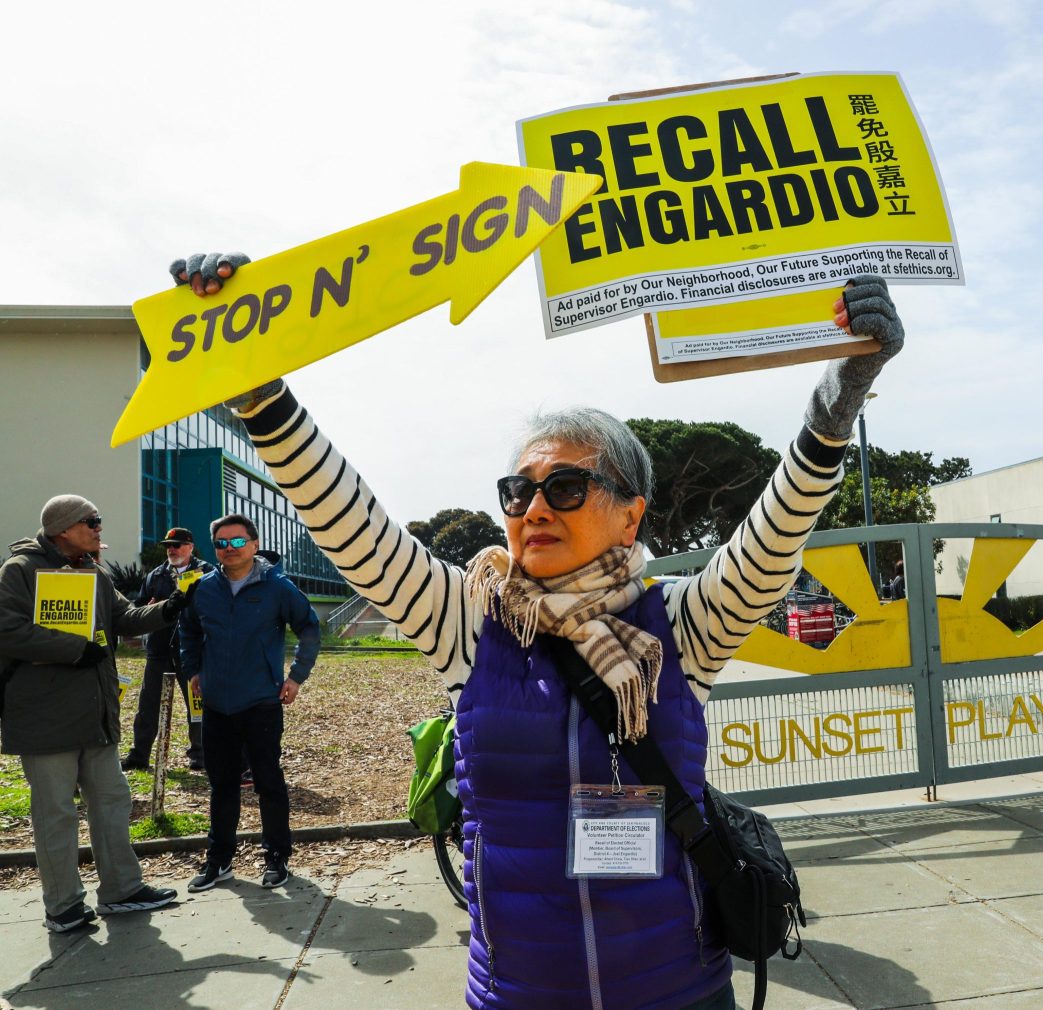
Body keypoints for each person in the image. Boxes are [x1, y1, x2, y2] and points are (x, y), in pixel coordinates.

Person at [175, 250, 904, 1010]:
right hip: (517, 993)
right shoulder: (468, 619)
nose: (536, 508)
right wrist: (267, 402)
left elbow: (770, 545)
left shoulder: (679, 623)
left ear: (631, 515)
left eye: (566, 486)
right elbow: (355, 531)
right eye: (518, 491)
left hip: (677, 989)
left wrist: (838, 402)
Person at [0, 495, 183, 931]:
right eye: (92, 521)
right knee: (56, 814)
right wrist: (74, 648)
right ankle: (62, 907)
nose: (100, 528)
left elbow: (126, 617)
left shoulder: (94, 572)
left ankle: (122, 889)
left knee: (112, 801)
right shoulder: (19, 571)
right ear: (63, 528)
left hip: (95, 715)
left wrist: (170, 608)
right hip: (43, 717)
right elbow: (7, 630)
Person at [179, 513, 320, 893]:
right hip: (216, 705)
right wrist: (193, 669)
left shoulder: (277, 587)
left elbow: (309, 627)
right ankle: (219, 860)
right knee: (222, 785)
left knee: (268, 782)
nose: (229, 548)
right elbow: (187, 629)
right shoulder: (203, 588)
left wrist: (296, 677)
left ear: (254, 545)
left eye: (238, 541)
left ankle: (276, 858)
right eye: (221, 543)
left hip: (261, 702)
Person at [122, 528, 213, 773]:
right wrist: (148, 607)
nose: (171, 549)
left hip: (192, 651)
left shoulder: (207, 572)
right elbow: (138, 608)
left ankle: (201, 755)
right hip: (159, 648)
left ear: (190, 547)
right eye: (168, 546)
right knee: (147, 705)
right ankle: (139, 755)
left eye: (177, 545)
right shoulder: (155, 575)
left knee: (197, 706)